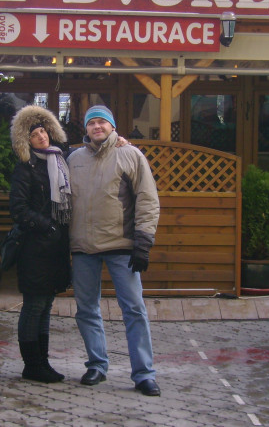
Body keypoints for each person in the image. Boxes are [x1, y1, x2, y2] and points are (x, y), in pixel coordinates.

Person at [67, 105, 162, 397]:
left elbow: (147, 199)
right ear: (86, 128)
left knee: (134, 309)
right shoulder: (73, 159)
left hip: (122, 246)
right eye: (92, 123)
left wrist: (143, 242)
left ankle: (144, 373)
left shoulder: (130, 155)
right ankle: (97, 365)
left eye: (102, 122)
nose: (97, 126)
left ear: (112, 126)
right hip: (83, 247)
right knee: (86, 309)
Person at [9, 105, 72, 383]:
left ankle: (42, 362)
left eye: (43, 131)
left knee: (46, 305)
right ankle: (31, 365)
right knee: (34, 305)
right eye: (34, 134)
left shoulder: (60, 160)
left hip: (55, 249)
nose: (41, 136)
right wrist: (47, 226)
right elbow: (18, 209)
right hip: (35, 248)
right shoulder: (25, 168)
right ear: (26, 141)